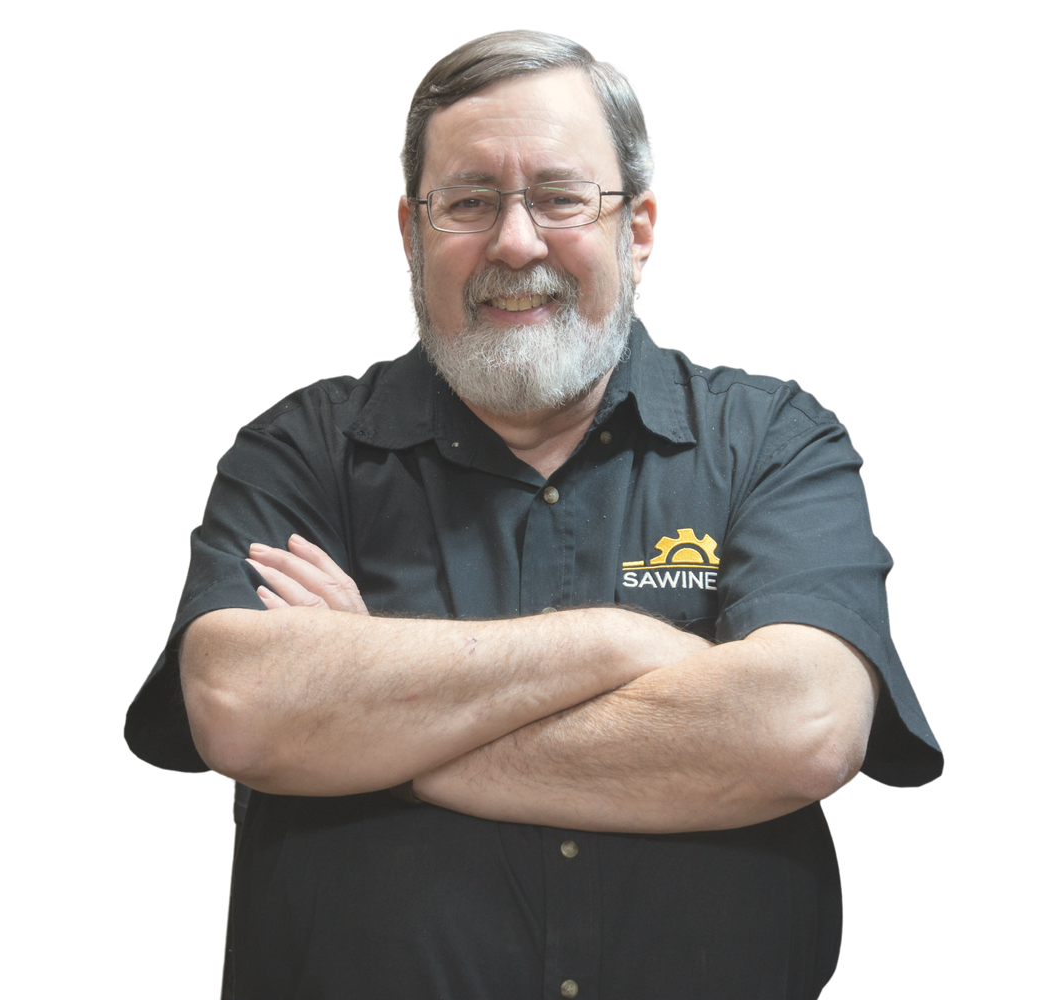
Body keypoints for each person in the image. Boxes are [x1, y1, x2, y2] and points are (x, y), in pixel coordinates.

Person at [122, 26, 944, 999]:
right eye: (469, 201)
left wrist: (378, 728)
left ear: (639, 228)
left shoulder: (774, 439)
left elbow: (804, 726)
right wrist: (615, 644)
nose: (515, 242)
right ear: (410, 231)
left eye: (559, 198)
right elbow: (241, 707)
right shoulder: (301, 448)